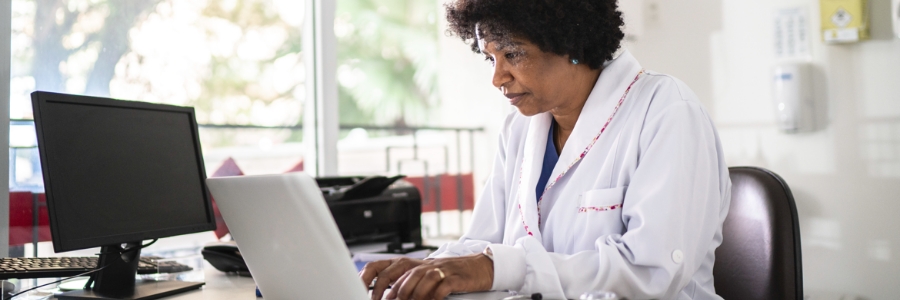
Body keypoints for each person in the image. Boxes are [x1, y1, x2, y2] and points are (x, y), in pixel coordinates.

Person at [359, 0, 732, 299]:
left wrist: (502, 269)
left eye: (513, 55)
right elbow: (484, 243)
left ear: (570, 42)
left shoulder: (666, 110)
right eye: (490, 58)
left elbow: (651, 272)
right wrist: (423, 268)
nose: (496, 77)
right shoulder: (520, 127)